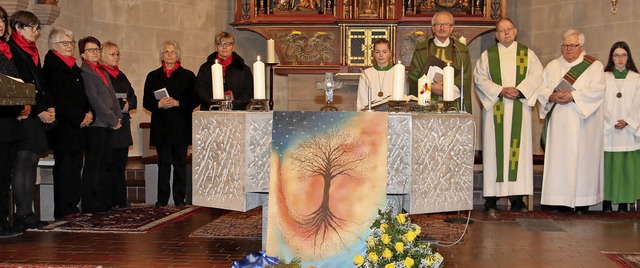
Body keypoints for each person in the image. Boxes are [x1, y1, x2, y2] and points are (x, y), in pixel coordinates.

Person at [474, 18, 543, 214]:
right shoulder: (488, 56)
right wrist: (499, 90)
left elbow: (537, 75)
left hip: (518, 108)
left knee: (517, 152)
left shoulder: (527, 54)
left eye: (509, 29)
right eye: (501, 30)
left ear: (515, 31)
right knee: (494, 151)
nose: (505, 33)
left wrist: (520, 90)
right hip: (496, 107)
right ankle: (491, 198)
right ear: (496, 35)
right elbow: (479, 78)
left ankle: (517, 197)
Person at [538, 29, 605, 214]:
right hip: (559, 124)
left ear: (581, 47)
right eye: (565, 45)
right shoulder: (552, 66)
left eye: (572, 46)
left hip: (583, 123)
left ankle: (582, 202)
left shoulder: (593, 66)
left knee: (582, 162)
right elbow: (541, 90)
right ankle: (558, 201)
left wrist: (573, 96)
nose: (568, 49)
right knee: (559, 161)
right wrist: (551, 96)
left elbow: (598, 90)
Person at [42, 27, 93, 220]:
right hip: (64, 127)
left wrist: (89, 113)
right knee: (64, 169)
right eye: (65, 43)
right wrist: (79, 117)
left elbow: (83, 95)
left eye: (71, 42)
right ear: (54, 46)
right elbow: (59, 99)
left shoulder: (73, 67)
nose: (70, 46)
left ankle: (73, 206)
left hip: (78, 126)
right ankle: (63, 209)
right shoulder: (52, 67)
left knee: (75, 167)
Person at [8, 10, 53, 229]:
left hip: (34, 114)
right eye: (32, 28)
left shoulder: (32, 51)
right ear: (17, 27)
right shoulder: (13, 50)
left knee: (32, 162)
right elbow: (19, 85)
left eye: (37, 28)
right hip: (23, 115)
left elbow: (39, 85)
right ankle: (21, 214)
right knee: (23, 164)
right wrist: (38, 111)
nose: (36, 32)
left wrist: (48, 107)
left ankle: (28, 213)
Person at [143, 40, 198, 207]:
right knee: (164, 164)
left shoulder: (188, 76)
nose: (169, 55)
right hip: (162, 128)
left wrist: (178, 103)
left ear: (178, 55)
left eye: (172, 52)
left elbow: (194, 99)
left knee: (180, 164)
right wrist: (158, 104)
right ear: (161, 55)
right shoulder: (153, 76)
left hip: (180, 127)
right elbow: (146, 101)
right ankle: (162, 199)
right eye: (166, 52)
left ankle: (180, 199)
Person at [79, 36, 122, 214]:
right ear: (82, 54)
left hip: (108, 123)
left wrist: (118, 117)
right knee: (94, 165)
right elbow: (94, 99)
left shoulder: (102, 71)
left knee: (105, 163)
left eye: (97, 49)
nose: (95, 53)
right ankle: (90, 202)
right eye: (91, 50)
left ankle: (103, 200)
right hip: (97, 124)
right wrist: (112, 119)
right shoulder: (85, 71)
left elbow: (112, 96)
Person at [602, 41, 640, 213]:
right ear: (611, 57)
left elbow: (638, 104)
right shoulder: (603, 78)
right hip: (608, 130)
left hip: (628, 131)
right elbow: (599, 102)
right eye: (616, 55)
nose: (620, 59)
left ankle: (624, 203)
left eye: (623, 55)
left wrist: (628, 121)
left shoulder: (636, 78)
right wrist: (611, 121)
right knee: (607, 168)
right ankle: (607, 202)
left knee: (626, 169)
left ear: (628, 57)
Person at [408, 11, 472, 112]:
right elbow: (413, 76)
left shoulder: (461, 50)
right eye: (438, 24)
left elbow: (465, 78)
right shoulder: (421, 49)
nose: (442, 28)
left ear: (452, 28)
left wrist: (447, 88)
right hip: (427, 104)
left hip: (453, 104)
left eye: (446, 24)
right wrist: (431, 87)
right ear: (433, 28)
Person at [101, 41, 137, 209]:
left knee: (120, 164)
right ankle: (108, 200)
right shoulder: (100, 74)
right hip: (108, 126)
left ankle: (121, 200)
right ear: (103, 55)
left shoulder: (121, 75)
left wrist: (129, 104)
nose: (116, 57)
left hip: (122, 125)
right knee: (107, 164)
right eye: (112, 54)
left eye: (117, 54)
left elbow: (133, 97)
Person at [0, 5, 25, 238]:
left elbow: (14, 83)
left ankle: (4, 222)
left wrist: (24, 102)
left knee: (5, 175)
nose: (0, 24)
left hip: (9, 122)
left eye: (1, 19)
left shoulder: (7, 50)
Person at [195, 31, 253, 111]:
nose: (224, 47)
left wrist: (231, 104)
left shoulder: (243, 69)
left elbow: (248, 92)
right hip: (210, 110)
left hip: (236, 111)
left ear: (233, 47)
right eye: (221, 44)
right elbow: (200, 90)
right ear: (216, 47)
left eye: (228, 44)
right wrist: (215, 103)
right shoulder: (205, 68)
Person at [356, 38, 395, 110]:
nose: (381, 55)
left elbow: (402, 97)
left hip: (391, 114)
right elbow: (362, 100)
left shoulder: (397, 73)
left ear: (390, 53)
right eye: (377, 52)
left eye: (384, 52)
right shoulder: (366, 74)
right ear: (373, 54)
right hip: (371, 116)